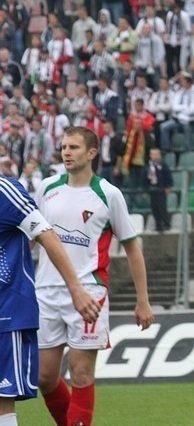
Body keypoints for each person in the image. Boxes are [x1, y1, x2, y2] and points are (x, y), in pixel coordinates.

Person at [36, 126, 154, 426]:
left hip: (89, 293)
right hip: (45, 291)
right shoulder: (47, 188)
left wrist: (143, 301)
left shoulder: (108, 194)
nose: (66, 152)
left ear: (91, 153)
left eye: (73, 147)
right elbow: (30, 236)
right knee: (44, 377)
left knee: (81, 373)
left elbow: (132, 248)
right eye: (63, 147)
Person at [0, 174, 99, 426]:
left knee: (3, 400)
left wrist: (75, 288)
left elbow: (47, 235)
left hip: (6, 312)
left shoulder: (5, 190)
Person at [146, 147, 172, 232]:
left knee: (162, 207)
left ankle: (166, 224)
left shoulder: (163, 165)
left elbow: (168, 177)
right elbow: (144, 178)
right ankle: (158, 224)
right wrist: (145, 189)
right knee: (154, 208)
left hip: (161, 189)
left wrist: (168, 186)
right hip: (152, 189)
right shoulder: (148, 166)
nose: (154, 156)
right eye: (153, 154)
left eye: (156, 154)